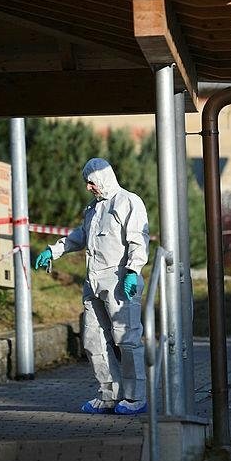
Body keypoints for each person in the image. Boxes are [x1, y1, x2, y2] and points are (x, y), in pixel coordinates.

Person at [34, 158, 149, 415]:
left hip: (120, 280)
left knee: (127, 339)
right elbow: (80, 236)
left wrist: (133, 271)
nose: (88, 187)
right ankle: (109, 395)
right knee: (93, 340)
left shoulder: (128, 202)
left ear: (103, 178)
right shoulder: (94, 209)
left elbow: (138, 240)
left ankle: (135, 397)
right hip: (93, 281)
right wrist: (54, 250)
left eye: (91, 182)